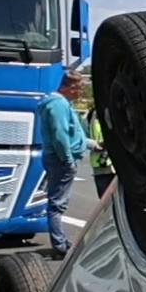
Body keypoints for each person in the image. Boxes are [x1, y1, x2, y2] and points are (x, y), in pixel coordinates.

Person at [37, 71, 89, 259]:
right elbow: (60, 136)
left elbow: (72, 135)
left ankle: (61, 241)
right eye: (80, 88)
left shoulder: (61, 103)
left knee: (58, 203)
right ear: (70, 87)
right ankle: (59, 245)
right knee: (57, 205)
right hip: (60, 160)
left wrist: (91, 144)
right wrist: (68, 160)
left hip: (58, 158)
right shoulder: (58, 105)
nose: (81, 93)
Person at [85, 106, 115, 197]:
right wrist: (93, 144)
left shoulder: (116, 109)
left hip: (117, 165)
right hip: (101, 164)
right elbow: (82, 137)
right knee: (106, 200)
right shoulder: (91, 115)